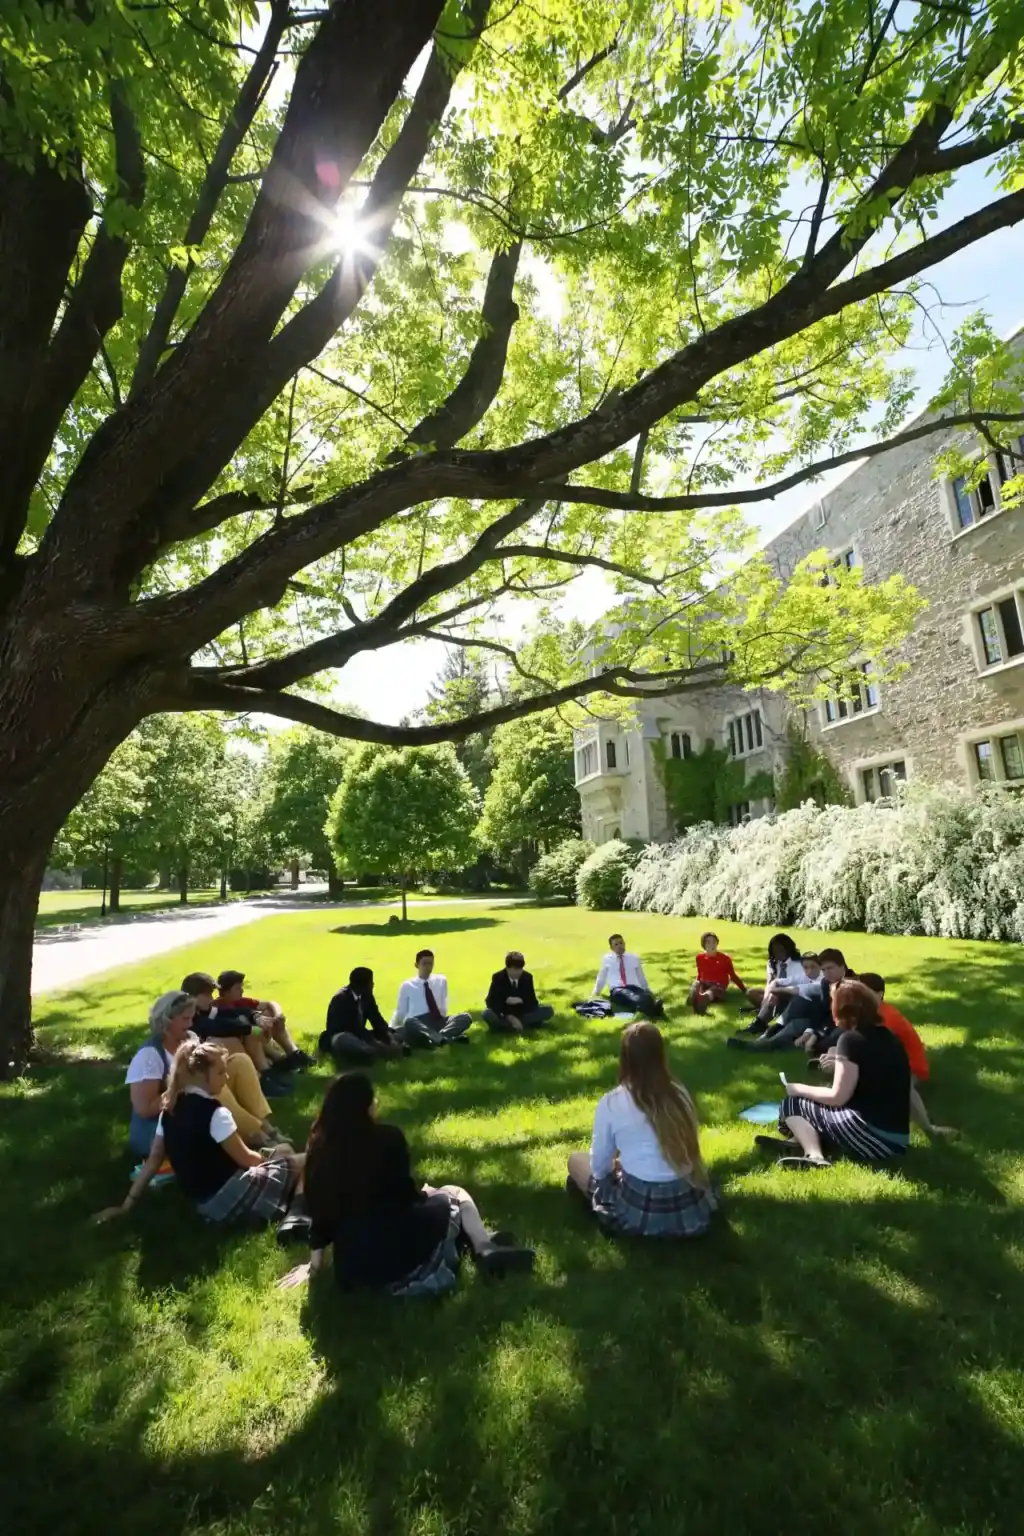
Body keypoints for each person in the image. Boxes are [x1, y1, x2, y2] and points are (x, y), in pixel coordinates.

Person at [277, 1072, 535, 1294]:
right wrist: (429, 1195)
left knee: (436, 1203)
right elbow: (405, 1198)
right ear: (366, 1106)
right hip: (402, 1252)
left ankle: (474, 1238)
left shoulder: (319, 1152)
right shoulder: (387, 1139)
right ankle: (484, 1246)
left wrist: (314, 1266)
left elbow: (322, 1217)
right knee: (453, 1193)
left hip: (355, 1269)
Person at [95, 1038, 304, 1225]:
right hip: (230, 1198)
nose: (227, 1076)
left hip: (203, 1204)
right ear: (200, 1075)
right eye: (221, 1072)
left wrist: (127, 1205)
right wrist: (271, 1165)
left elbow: (154, 1159)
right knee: (309, 1159)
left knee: (284, 1150)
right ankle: (297, 1214)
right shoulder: (215, 1113)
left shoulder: (169, 1110)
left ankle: (291, 1194)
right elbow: (248, 1160)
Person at [567, 1021, 718, 1237]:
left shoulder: (612, 1102)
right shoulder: (679, 1093)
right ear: (660, 1055)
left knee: (576, 1161)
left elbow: (600, 1166)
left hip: (640, 1209)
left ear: (625, 1060)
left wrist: (616, 1171)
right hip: (687, 1202)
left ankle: (591, 1216)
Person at [760, 980, 911, 1167]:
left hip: (874, 1137)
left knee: (792, 1104)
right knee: (816, 1103)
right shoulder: (891, 1038)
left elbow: (838, 1097)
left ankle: (814, 1156)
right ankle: (796, 1143)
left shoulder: (850, 1040)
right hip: (899, 1139)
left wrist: (797, 1088)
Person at [125, 990, 288, 1157]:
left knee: (240, 1061)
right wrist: (183, 1086)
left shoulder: (190, 1038)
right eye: (185, 1019)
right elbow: (144, 1110)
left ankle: (266, 1128)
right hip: (160, 1131)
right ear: (167, 1020)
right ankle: (258, 1135)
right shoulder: (149, 1055)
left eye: (192, 1018)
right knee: (214, 1090)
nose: (190, 1024)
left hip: (195, 1108)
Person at [818, 972, 957, 1140]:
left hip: (910, 1067)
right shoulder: (870, 1016)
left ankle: (928, 1128)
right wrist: (836, 1055)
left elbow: (875, 1056)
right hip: (885, 1064)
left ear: (878, 994)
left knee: (897, 1085)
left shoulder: (885, 1019)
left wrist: (838, 1064)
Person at [181, 970, 292, 1098]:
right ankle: (258, 1081)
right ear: (193, 996)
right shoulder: (187, 1014)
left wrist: (255, 1017)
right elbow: (216, 1027)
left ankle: (265, 1075)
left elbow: (232, 1012)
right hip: (196, 1064)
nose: (211, 999)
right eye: (208, 995)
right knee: (231, 1041)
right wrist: (251, 1029)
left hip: (206, 1057)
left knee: (245, 1034)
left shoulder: (203, 1009)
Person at [727, 948, 851, 1051]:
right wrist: (810, 1030)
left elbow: (842, 1018)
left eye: (830, 968)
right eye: (824, 970)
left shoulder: (852, 984)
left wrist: (814, 1033)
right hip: (823, 1023)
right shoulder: (826, 983)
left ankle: (766, 1044)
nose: (826, 973)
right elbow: (822, 1011)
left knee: (803, 1016)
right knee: (798, 1015)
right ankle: (767, 1038)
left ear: (842, 967)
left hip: (841, 1028)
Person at [216, 970, 314, 1071]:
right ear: (225, 991)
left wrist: (278, 1015)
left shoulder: (242, 1001)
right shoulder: (218, 1007)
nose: (242, 990)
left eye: (241, 987)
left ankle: (293, 1053)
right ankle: (269, 1068)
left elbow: (270, 1003)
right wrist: (260, 1027)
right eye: (237, 988)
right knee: (254, 1031)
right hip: (242, 1043)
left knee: (269, 1014)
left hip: (257, 1038)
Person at [320, 967, 408, 1062]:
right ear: (362, 985)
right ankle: (378, 1052)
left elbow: (376, 1019)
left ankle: (381, 1051)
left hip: (362, 1035)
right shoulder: (341, 999)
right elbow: (353, 1029)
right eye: (371, 982)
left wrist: (390, 1038)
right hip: (344, 1036)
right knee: (344, 1040)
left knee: (399, 1031)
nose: (373, 985)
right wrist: (377, 1044)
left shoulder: (367, 996)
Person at [391, 950, 473, 1047]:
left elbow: (443, 1004)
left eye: (431, 963)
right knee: (409, 1022)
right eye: (424, 964)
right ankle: (447, 1039)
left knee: (465, 1017)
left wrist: (444, 1021)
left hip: (438, 1020)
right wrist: (391, 1028)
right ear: (416, 965)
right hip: (419, 1023)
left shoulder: (441, 980)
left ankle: (438, 1038)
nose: (428, 967)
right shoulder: (407, 985)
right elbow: (401, 1012)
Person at [735, 934, 807, 1029]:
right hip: (774, 994)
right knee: (751, 993)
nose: (778, 953)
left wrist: (778, 992)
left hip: (793, 995)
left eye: (780, 949)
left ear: (788, 948)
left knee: (775, 994)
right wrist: (766, 998)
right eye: (775, 950)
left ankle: (760, 1021)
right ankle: (767, 1009)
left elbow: (802, 987)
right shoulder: (772, 963)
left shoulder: (799, 964)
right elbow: (769, 984)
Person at [592, 934, 665, 1019]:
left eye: (621, 943)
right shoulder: (607, 959)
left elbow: (640, 975)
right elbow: (602, 977)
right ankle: (655, 1011)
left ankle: (652, 1010)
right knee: (629, 995)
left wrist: (647, 989)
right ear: (611, 948)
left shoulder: (633, 958)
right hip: (618, 990)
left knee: (645, 996)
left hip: (634, 987)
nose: (620, 946)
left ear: (624, 943)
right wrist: (596, 992)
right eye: (616, 944)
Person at [483, 952, 555, 1033]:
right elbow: (491, 1001)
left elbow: (533, 1002)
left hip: (523, 1013)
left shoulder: (527, 977)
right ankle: (524, 1025)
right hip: (503, 1014)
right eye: (515, 969)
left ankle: (507, 1027)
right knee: (487, 1014)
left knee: (548, 1010)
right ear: (507, 968)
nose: (518, 972)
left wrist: (521, 1001)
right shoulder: (498, 978)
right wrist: (510, 1016)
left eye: (520, 969)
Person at [687, 931, 748, 1015]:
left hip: (718, 986)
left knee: (714, 990)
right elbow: (700, 974)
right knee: (698, 984)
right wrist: (697, 983)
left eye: (714, 942)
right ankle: (696, 996)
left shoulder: (725, 959)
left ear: (717, 943)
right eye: (708, 942)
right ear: (703, 945)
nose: (712, 944)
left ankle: (702, 999)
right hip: (704, 983)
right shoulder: (699, 958)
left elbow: (733, 976)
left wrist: (744, 989)